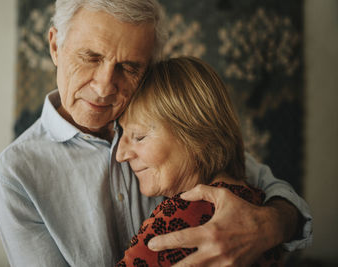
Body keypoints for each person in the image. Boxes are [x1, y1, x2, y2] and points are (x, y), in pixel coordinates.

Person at [0, 0, 312, 266]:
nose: (104, 86)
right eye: (91, 57)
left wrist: (267, 225)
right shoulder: (14, 175)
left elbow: (278, 196)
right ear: (56, 46)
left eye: (129, 67)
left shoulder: (170, 118)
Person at [115, 56, 284, 266]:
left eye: (139, 136)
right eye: (120, 134)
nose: (120, 154)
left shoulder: (175, 222)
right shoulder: (256, 201)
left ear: (197, 136)